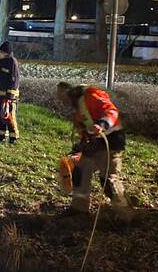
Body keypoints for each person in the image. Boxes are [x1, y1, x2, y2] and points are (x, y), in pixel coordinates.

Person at [55, 81, 131, 219]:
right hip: (94, 143)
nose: (60, 101)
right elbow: (85, 130)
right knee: (80, 171)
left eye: (60, 97)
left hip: (111, 141)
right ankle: (79, 208)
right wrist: (78, 148)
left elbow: (111, 111)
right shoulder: (78, 107)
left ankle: (124, 215)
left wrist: (102, 124)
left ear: (67, 93)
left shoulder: (91, 95)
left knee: (108, 180)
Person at [0, 41, 20, 143]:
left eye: (1, 51)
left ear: (5, 52)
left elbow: (14, 80)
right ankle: (2, 135)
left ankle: (13, 137)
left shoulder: (12, 62)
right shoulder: (3, 62)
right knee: (0, 115)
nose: (0, 53)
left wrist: (10, 96)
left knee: (9, 116)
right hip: (1, 94)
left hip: (9, 96)